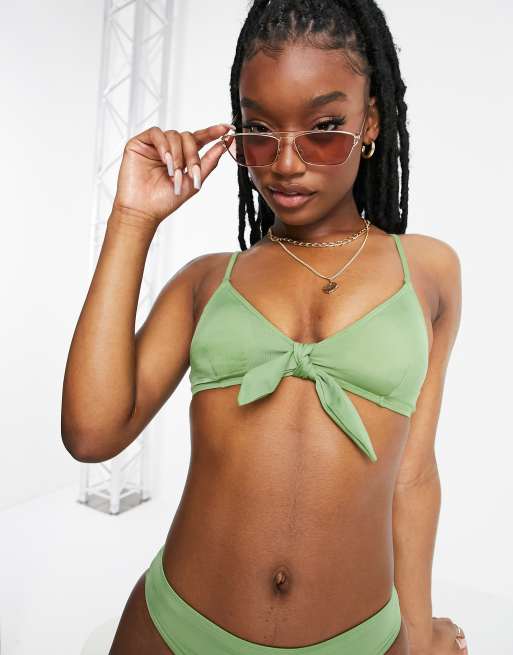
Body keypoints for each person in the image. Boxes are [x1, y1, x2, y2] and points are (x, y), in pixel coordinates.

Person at [61, 1, 467, 653]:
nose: (284, 162)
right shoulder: (206, 282)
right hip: (175, 629)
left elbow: (413, 474)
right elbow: (90, 434)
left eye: (323, 128)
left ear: (369, 121)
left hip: (360, 640)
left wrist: (416, 634)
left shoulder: (427, 270)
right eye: (258, 130)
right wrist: (133, 218)